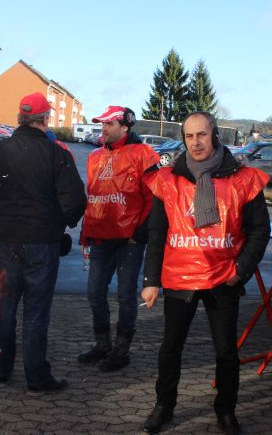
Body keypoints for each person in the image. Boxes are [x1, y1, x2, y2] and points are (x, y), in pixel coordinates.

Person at [140, 111, 271, 435]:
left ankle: (226, 411)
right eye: (189, 136)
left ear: (214, 135)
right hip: (179, 279)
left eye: (202, 135)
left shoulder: (244, 179)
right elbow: (156, 233)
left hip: (223, 278)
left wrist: (241, 270)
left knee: (226, 350)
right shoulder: (168, 180)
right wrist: (151, 280)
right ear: (183, 139)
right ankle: (164, 407)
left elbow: (259, 231)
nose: (195, 142)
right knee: (171, 347)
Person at [0, 92, 86, 392]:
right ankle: (36, 376)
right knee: (36, 311)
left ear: (20, 118)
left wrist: (2, 212)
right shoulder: (57, 154)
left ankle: (0, 369)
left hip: (8, 239)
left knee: (5, 306)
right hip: (42, 243)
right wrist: (58, 224)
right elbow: (75, 201)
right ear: (46, 119)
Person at [78, 106, 158, 372]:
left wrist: (140, 232)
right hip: (101, 238)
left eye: (109, 124)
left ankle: (121, 351)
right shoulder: (94, 156)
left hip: (129, 241)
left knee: (125, 296)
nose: (103, 128)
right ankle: (103, 344)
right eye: (102, 124)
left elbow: (153, 197)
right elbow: (94, 197)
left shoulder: (143, 154)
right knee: (94, 293)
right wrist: (86, 233)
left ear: (125, 127)